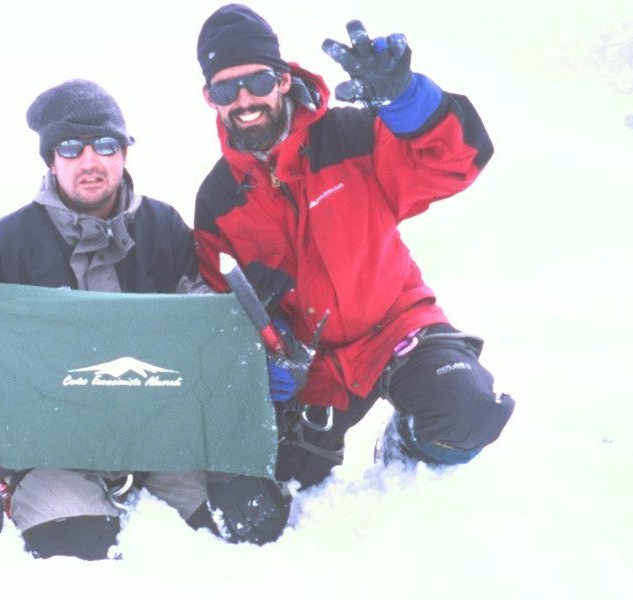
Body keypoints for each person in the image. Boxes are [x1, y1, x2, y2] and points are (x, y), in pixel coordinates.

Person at [0, 79, 300, 560]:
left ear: (124, 154)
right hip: (53, 448)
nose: (90, 160)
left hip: (164, 438)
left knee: (253, 522)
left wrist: (240, 319)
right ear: (52, 160)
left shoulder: (162, 227)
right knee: (76, 549)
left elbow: (198, 330)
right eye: (70, 148)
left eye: (105, 145)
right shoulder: (5, 247)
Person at [189, 4, 516, 490]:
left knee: (468, 414)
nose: (243, 99)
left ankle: (405, 441)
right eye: (224, 88)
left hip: (395, 325)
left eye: (257, 81)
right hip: (312, 365)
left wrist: (408, 100)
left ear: (281, 80)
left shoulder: (353, 135)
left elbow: (456, 163)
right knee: (279, 482)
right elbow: (222, 301)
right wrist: (266, 346)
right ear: (209, 98)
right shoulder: (217, 200)